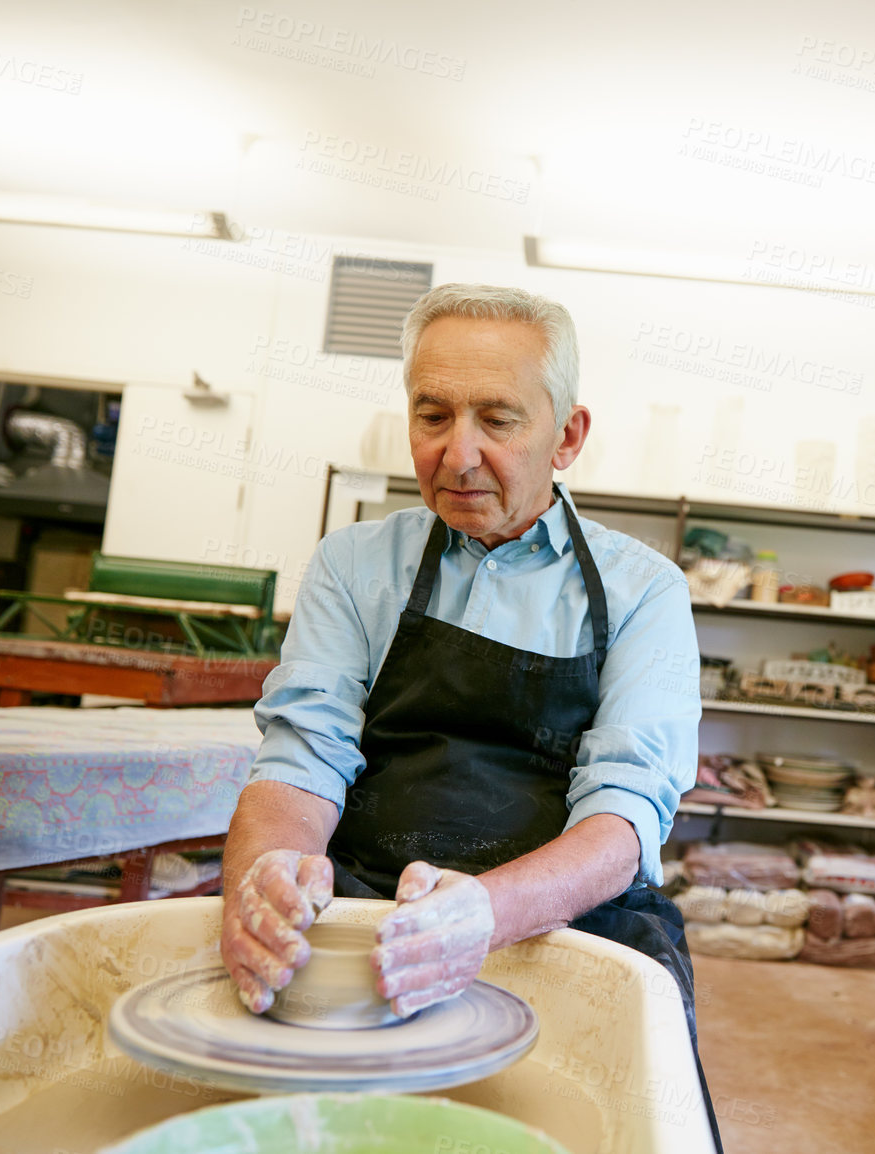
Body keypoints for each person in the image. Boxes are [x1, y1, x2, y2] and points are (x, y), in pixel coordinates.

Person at [219, 283, 715, 1139]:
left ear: (568, 436)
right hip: (370, 906)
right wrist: (265, 876)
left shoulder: (645, 591)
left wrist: (484, 913)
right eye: (434, 415)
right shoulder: (353, 565)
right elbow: (301, 760)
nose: (458, 454)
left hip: (576, 920)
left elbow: (627, 815)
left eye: (498, 419)